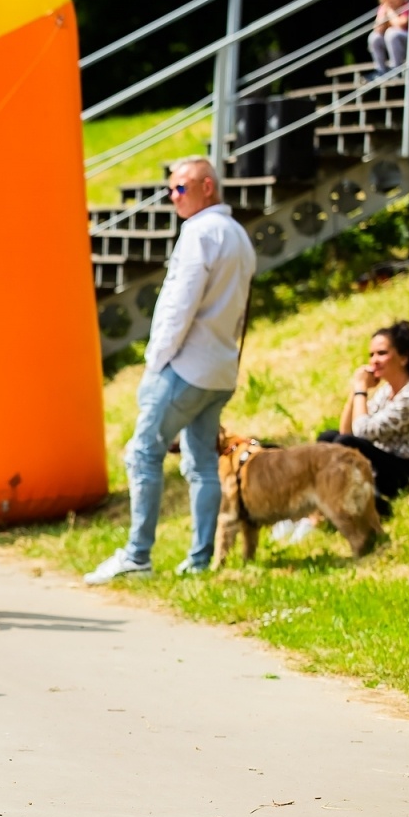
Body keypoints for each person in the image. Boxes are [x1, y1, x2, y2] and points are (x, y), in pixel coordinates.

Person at [85, 156, 254, 584]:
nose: (172, 196)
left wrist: (156, 361)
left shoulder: (199, 233)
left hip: (185, 366)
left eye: (180, 188)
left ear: (207, 188)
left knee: (142, 453)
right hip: (219, 368)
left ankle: (137, 555)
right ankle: (198, 561)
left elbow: (180, 306)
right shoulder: (237, 235)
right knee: (200, 463)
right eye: (171, 188)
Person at [318, 319, 409, 515]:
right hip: (397, 460)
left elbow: (361, 432)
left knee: (346, 444)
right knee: (327, 439)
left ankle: (363, 501)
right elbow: (346, 431)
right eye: (371, 354)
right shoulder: (386, 392)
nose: (374, 360)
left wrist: (361, 390)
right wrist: (355, 392)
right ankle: (346, 497)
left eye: (381, 353)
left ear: (404, 357)